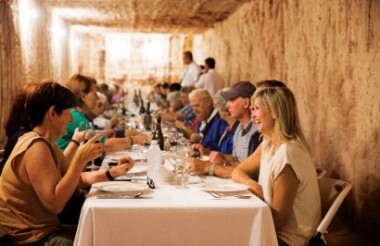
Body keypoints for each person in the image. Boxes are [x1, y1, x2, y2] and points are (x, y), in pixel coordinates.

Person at [0, 81, 135, 245]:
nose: (71, 119)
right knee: (107, 236)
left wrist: (112, 173)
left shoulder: (45, 142)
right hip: (35, 238)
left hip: (48, 229)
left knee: (110, 231)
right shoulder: (35, 147)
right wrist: (79, 159)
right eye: (68, 112)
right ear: (52, 113)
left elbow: (76, 178)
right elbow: (55, 204)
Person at [232, 86, 321, 245]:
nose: (252, 116)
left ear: (275, 112)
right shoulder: (268, 144)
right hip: (270, 229)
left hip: (286, 239)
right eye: (252, 109)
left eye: (256, 109)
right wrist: (252, 184)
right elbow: (237, 171)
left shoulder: (288, 152)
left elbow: (278, 221)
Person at [57, 74, 147, 152]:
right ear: (83, 96)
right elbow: (105, 145)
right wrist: (134, 140)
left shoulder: (78, 114)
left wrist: (101, 133)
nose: (98, 98)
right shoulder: (75, 117)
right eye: (95, 93)